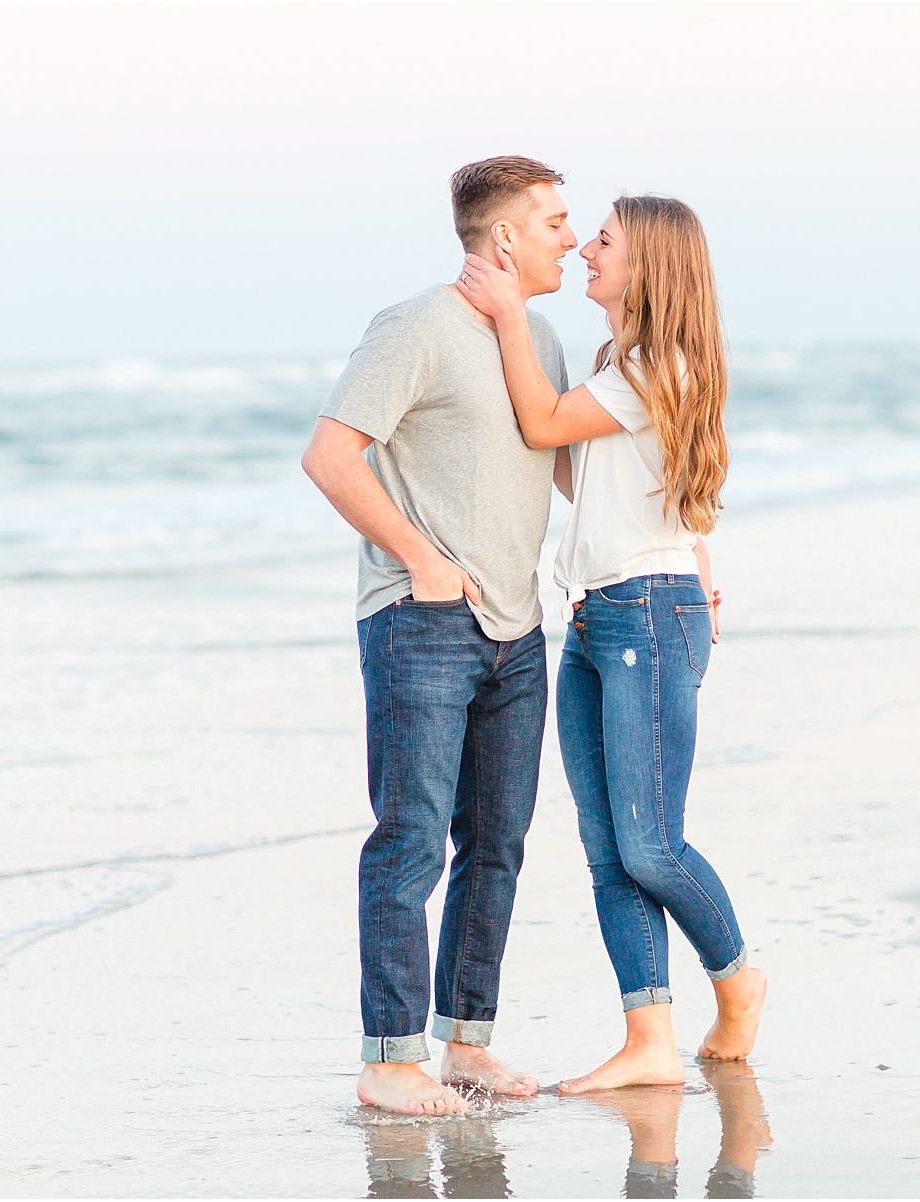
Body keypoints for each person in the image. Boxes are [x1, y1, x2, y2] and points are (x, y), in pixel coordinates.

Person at [456, 193, 768, 1092]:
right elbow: (574, 468)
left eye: (605, 240)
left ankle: (738, 974)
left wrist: (511, 314)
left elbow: (548, 425)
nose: (587, 248)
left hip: (647, 614)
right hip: (598, 615)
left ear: (650, 267)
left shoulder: (660, 364)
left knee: (650, 847)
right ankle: (649, 1040)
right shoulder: (616, 363)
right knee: (607, 848)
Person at [300, 156, 577, 1116]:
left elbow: (570, 464)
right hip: (425, 620)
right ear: (504, 237)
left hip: (518, 620)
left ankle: (464, 1045)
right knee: (411, 836)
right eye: (553, 222)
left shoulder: (537, 334)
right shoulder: (414, 326)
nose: (570, 238)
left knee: (497, 843)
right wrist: (419, 558)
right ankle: (388, 1058)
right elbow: (330, 457)